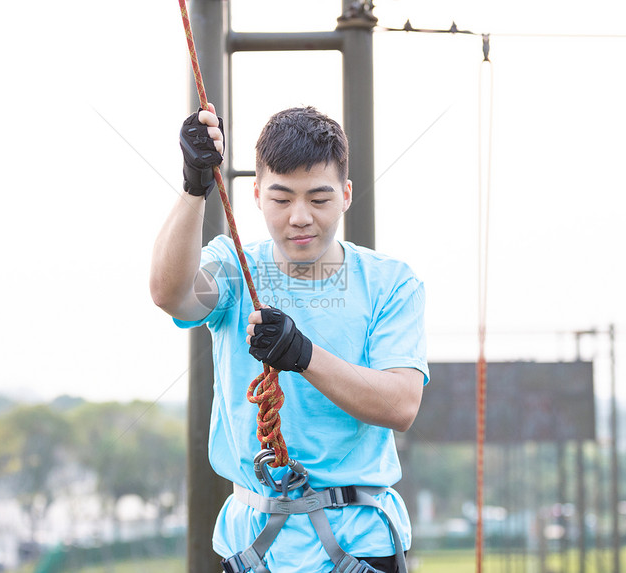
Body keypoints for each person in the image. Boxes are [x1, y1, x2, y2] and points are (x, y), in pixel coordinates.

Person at [150, 103, 429, 573]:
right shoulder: (232, 267)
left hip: (357, 541)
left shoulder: (392, 282)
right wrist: (194, 187)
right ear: (256, 194)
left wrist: (304, 356)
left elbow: (400, 405)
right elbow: (170, 293)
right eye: (282, 199)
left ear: (346, 194)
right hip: (253, 544)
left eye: (318, 199)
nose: (300, 216)